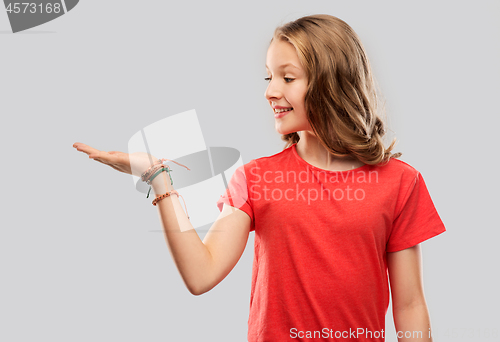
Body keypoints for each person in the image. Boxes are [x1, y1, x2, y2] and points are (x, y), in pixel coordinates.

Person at [73, 14, 446, 342]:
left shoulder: (400, 182)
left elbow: (410, 305)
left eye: (287, 77)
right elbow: (201, 274)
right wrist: (159, 178)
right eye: (269, 77)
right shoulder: (257, 178)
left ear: (332, 83)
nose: (270, 91)